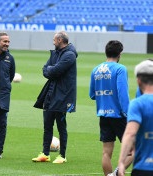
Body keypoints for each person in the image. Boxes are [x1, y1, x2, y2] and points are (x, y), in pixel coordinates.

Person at [89, 40, 134, 176]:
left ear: (106, 52)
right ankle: (117, 172)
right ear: (119, 54)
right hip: (119, 115)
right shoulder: (120, 69)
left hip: (103, 114)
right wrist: (129, 113)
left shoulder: (96, 70)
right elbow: (123, 94)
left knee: (106, 152)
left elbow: (92, 94)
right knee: (134, 149)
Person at [32, 31, 78, 164]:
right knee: (47, 125)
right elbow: (45, 69)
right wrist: (51, 70)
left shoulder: (69, 55)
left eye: (54, 40)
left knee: (61, 126)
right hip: (51, 94)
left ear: (59, 40)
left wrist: (51, 70)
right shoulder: (56, 53)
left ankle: (62, 155)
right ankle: (45, 154)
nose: (53, 42)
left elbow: (56, 71)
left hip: (62, 96)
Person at [118, 59, 153, 176]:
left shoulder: (137, 104)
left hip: (144, 167)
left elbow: (130, 133)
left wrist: (122, 162)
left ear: (139, 81)